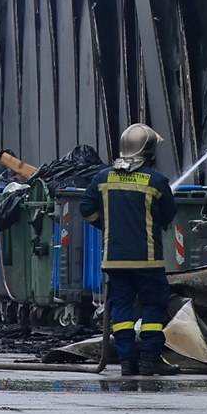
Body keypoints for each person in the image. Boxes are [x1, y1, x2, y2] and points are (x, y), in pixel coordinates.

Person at [81, 124, 180, 377]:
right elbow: (168, 214)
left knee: (122, 308)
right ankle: (150, 358)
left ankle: (127, 361)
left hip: (114, 259)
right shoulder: (157, 181)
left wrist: (108, 224)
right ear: (148, 150)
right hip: (147, 260)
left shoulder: (102, 178)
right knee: (154, 305)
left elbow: (86, 207)